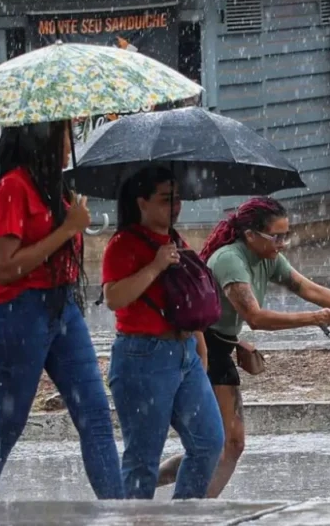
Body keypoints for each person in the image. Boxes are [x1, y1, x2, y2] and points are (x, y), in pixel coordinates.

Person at [157, 196, 330, 496]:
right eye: (276, 236)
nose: (282, 243)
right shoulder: (231, 259)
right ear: (250, 235)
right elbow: (255, 317)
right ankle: (173, 496)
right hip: (201, 350)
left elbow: (308, 287)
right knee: (217, 444)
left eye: (285, 235)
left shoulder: (268, 258)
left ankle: (195, 501)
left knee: (231, 444)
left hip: (222, 348)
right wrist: (314, 318)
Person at [0, 121, 123, 501]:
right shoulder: (12, 187)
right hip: (18, 314)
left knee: (97, 418)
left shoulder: (52, 187)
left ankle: (121, 514)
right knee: (6, 425)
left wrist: (69, 222)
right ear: (45, 138)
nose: (71, 144)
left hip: (61, 307)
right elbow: (3, 267)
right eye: (66, 135)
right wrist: (68, 229)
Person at [102, 166, 225, 499]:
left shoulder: (174, 240)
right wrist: (155, 266)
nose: (175, 206)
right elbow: (114, 298)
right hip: (143, 359)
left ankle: (185, 515)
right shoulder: (122, 243)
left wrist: (198, 344)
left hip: (184, 354)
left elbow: (185, 303)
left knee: (210, 443)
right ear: (142, 203)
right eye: (166, 199)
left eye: (178, 198)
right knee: (142, 462)